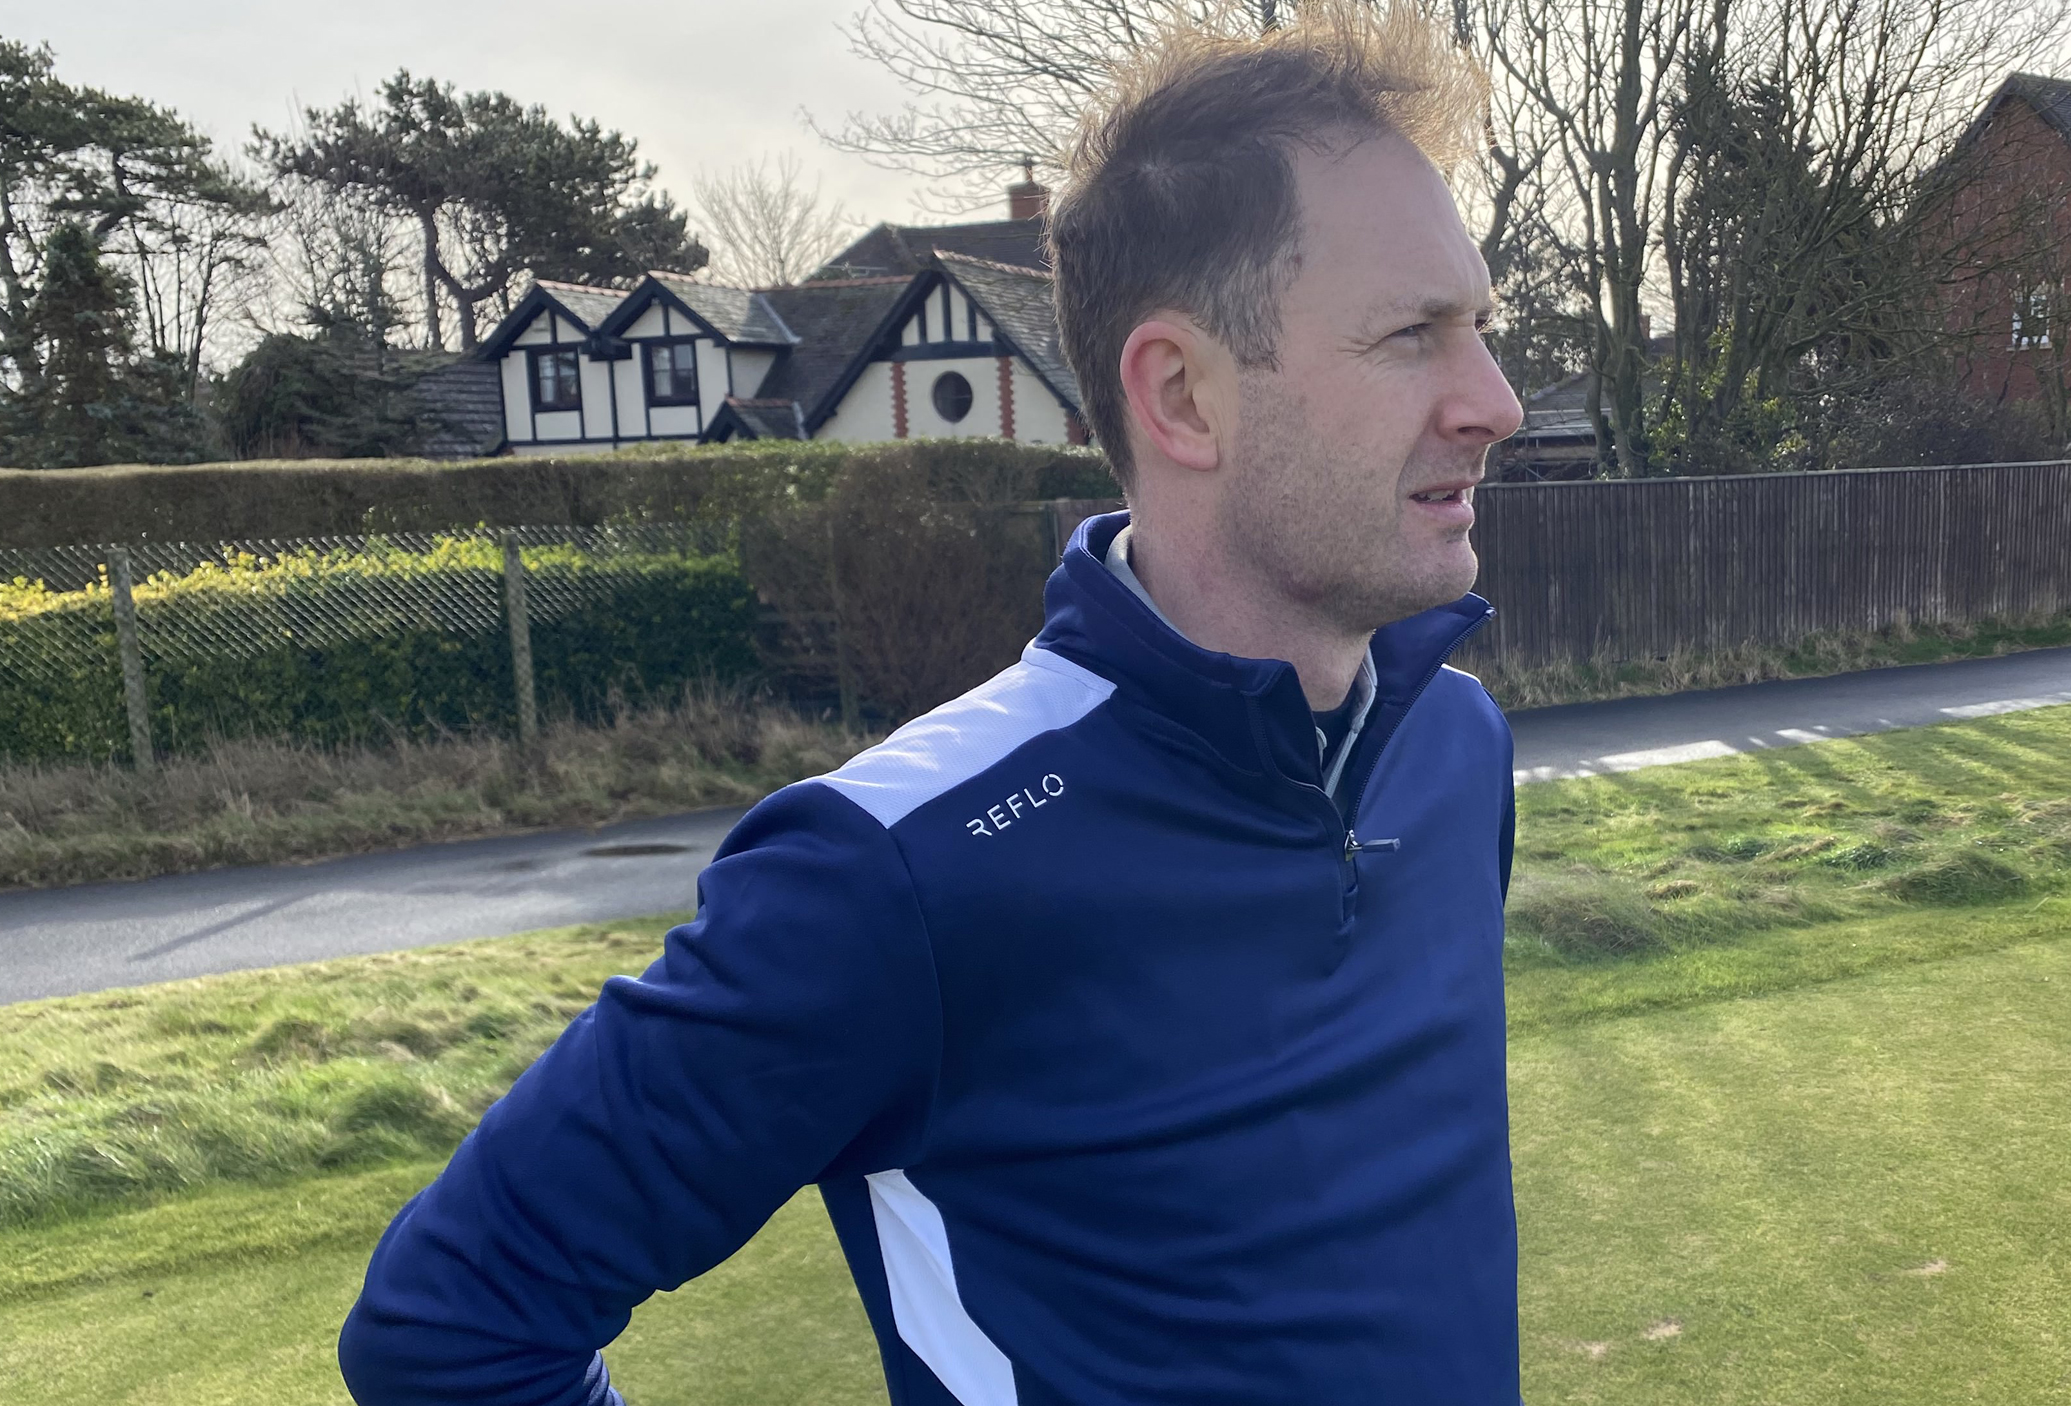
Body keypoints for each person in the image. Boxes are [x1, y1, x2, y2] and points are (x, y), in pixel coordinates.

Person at [337, 7, 1527, 1403]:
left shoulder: (1455, 749)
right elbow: (450, 1324)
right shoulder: (897, 868)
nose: (1495, 400)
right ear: (1182, 396)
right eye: (1412, 335)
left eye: (1480, 326)